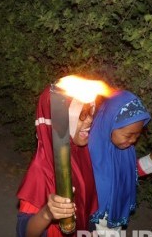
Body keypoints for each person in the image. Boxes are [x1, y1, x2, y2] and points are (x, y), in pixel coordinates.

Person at [16, 83, 100, 236]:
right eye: (81, 115)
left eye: (90, 112)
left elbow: (86, 204)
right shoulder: (41, 169)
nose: (89, 121)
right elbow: (26, 232)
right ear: (59, 122)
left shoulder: (82, 152)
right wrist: (47, 213)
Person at [88, 90, 152, 236]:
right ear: (110, 124)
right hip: (95, 221)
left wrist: (150, 161)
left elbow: (128, 172)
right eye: (129, 135)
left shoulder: (125, 150)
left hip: (115, 216)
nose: (133, 140)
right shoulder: (90, 153)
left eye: (137, 135)